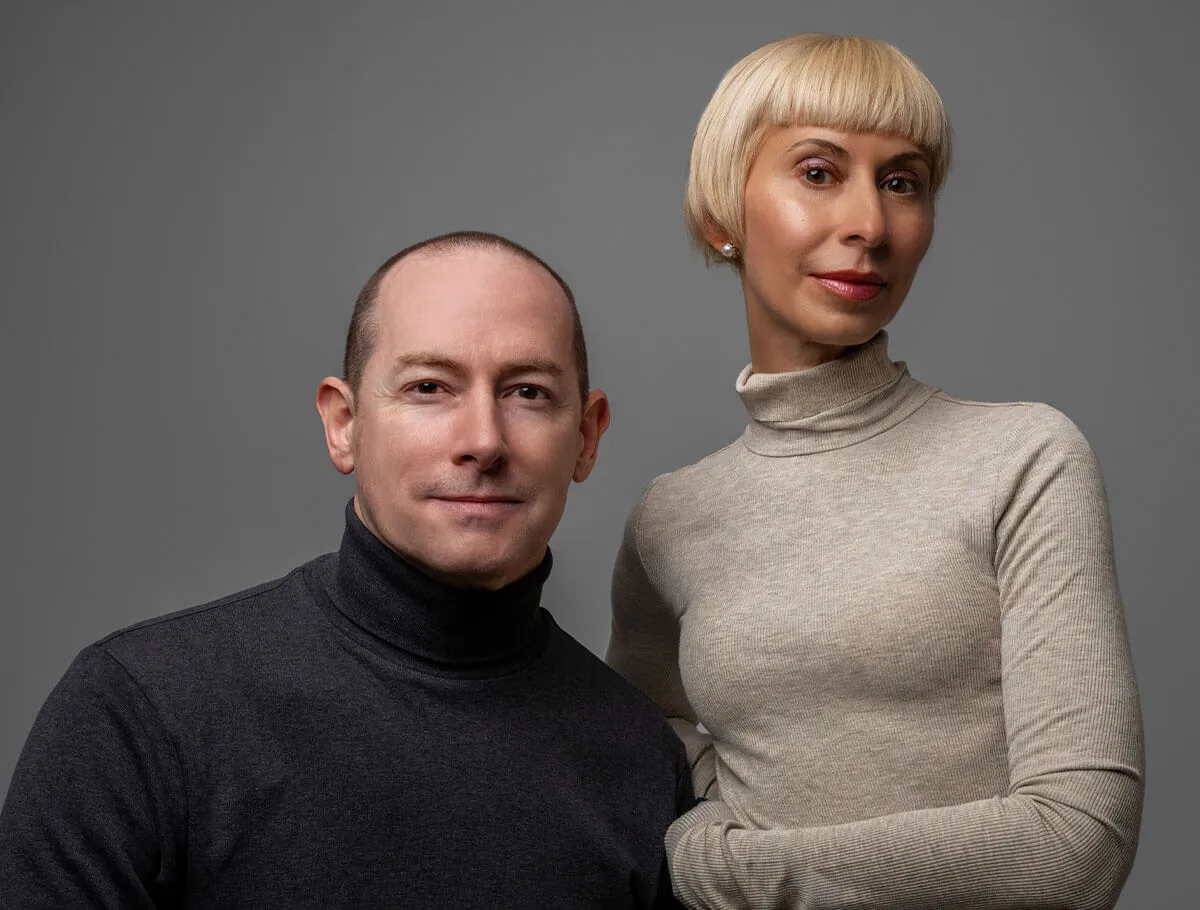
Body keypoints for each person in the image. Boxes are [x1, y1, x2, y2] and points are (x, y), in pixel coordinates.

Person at [607, 34, 1143, 910]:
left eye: (903, 182)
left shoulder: (1023, 459)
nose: (869, 224)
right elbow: (637, 738)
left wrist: (717, 867)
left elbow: (1076, 847)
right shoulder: (672, 517)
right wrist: (710, 804)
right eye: (818, 173)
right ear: (720, 213)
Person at [1, 230, 692, 908]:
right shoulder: (140, 709)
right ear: (343, 424)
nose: (483, 440)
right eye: (429, 387)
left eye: (529, 393)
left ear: (586, 436)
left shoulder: (639, 758)